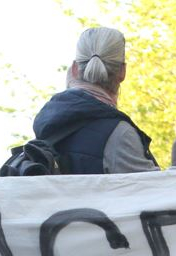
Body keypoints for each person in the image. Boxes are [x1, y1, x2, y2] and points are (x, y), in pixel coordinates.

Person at [32, 27, 157, 175]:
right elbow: (155, 188)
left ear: (74, 69)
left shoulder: (46, 126)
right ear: (122, 72)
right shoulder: (119, 135)